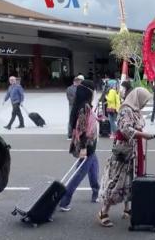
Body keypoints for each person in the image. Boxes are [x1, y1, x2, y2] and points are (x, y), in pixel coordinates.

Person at [98, 88, 155, 227]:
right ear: (138, 98)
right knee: (116, 179)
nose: (145, 104)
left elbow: (137, 128)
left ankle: (127, 209)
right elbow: (125, 129)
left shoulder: (135, 110)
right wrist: (143, 135)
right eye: (144, 100)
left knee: (131, 179)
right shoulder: (125, 110)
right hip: (123, 149)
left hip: (134, 149)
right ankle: (103, 212)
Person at [59, 80, 100, 212]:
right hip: (87, 146)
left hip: (90, 145)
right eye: (94, 91)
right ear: (89, 92)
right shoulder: (84, 107)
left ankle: (96, 192)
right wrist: (83, 148)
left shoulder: (80, 105)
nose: (95, 94)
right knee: (78, 174)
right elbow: (82, 129)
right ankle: (64, 201)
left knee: (94, 168)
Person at [66, 75, 84, 139]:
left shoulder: (80, 88)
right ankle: (70, 134)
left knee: (79, 119)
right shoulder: (69, 88)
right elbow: (69, 98)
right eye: (78, 81)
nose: (79, 82)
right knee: (72, 119)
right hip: (73, 105)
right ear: (75, 81)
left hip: (77, 105)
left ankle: (77, 133)